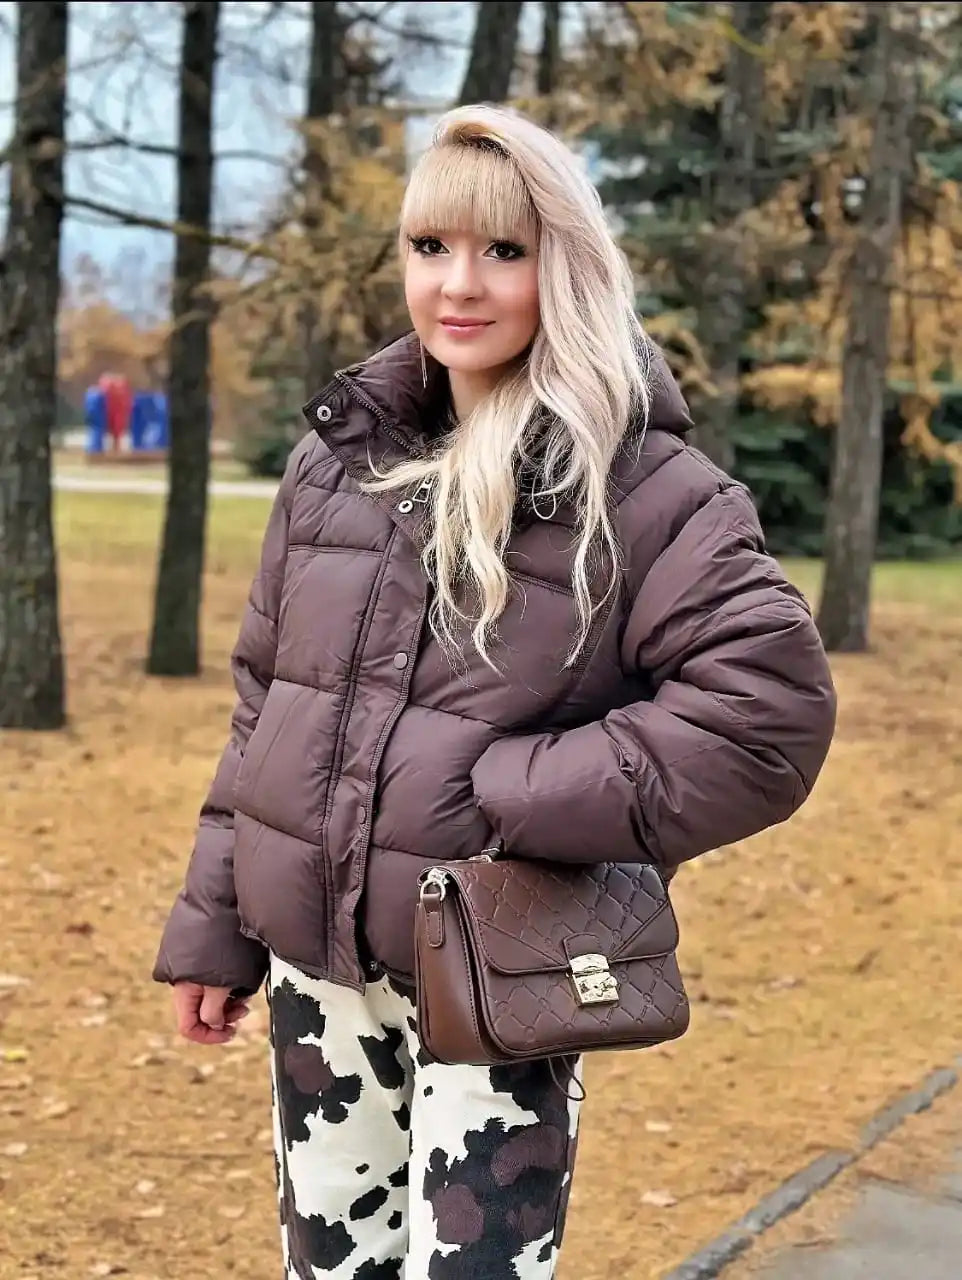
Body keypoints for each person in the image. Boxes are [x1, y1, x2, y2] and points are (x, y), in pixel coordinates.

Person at [153, 104, 837, 1280]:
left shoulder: (646, 488)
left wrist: (505, 790)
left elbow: (761, 716)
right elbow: (268, 701)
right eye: (429, 247)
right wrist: (215, 925)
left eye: (502, 251)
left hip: (494, 977)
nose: (457, 284)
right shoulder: (335, 463)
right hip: (317, 972)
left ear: (562, 267)